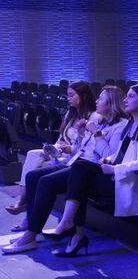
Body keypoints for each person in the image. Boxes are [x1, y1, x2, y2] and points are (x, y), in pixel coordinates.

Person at [6, 85, 138, 257]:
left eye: (131, 96)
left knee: (70, 175)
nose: (125, 99)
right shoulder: (131, 124)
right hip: (102, 170)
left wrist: (113, 165)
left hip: (130, 183)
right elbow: (117, 154)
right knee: (48, 175)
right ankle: (68, 230)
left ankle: (59, 229)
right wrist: (108, 159)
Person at [5, 81, 97, 220]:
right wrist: (53, 148)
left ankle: (25, 207)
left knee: (37, 171)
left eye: (71, 95)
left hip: (74, 157)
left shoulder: (92, 117)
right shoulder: (70, 114)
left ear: (83, 96)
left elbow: (86, 146)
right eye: (68, 95)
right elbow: (61, 138)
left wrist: (70, 149)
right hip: (61, 151)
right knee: (32, 154)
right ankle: (22, 199)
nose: (68, 98)